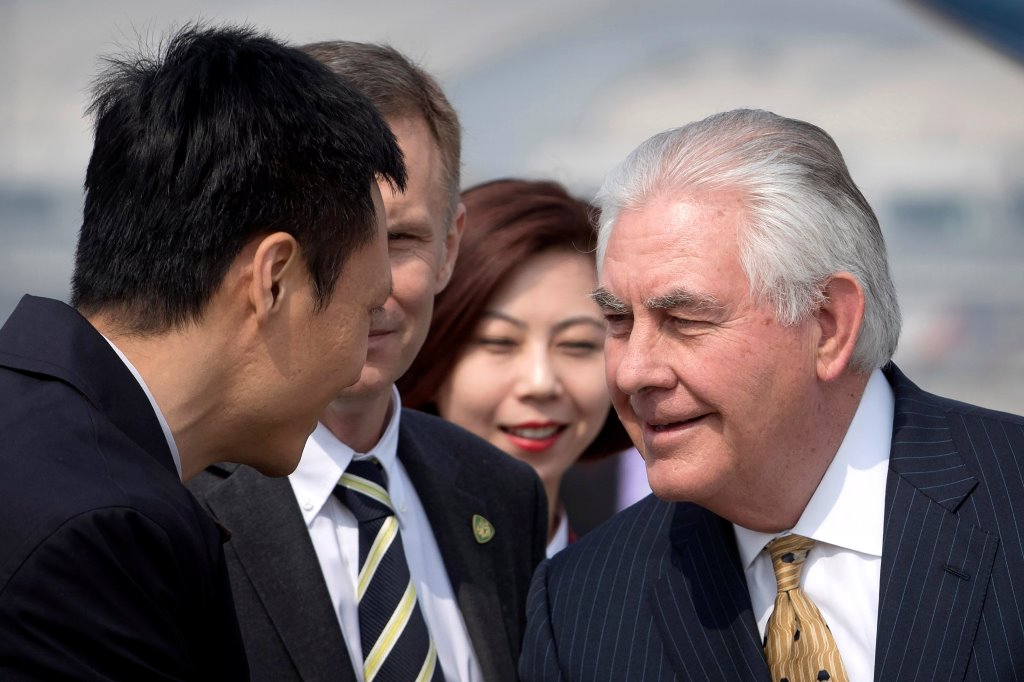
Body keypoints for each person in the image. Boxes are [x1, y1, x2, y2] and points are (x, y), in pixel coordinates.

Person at [519, 109, 1024, 681]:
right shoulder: (583, 606)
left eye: (683, 319)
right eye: (616, 322)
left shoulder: (1010, 500)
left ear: (829, 324)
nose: (634, 371)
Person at [0, 25, 403, 680]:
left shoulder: (41, 440)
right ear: (273, 281)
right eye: (366, 312)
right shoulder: (100, 534)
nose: (360, 363)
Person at [188, 43, 547, 682]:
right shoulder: (169, 499)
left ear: (450, 247)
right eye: (333, 240)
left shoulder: (503, 494)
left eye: (401, 239)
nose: (372, 285)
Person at [400, 179, 631, 556]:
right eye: (499, 342)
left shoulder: (631, 588)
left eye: (577, 344)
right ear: (431, 349)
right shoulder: (372, 577)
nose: (540, 383)